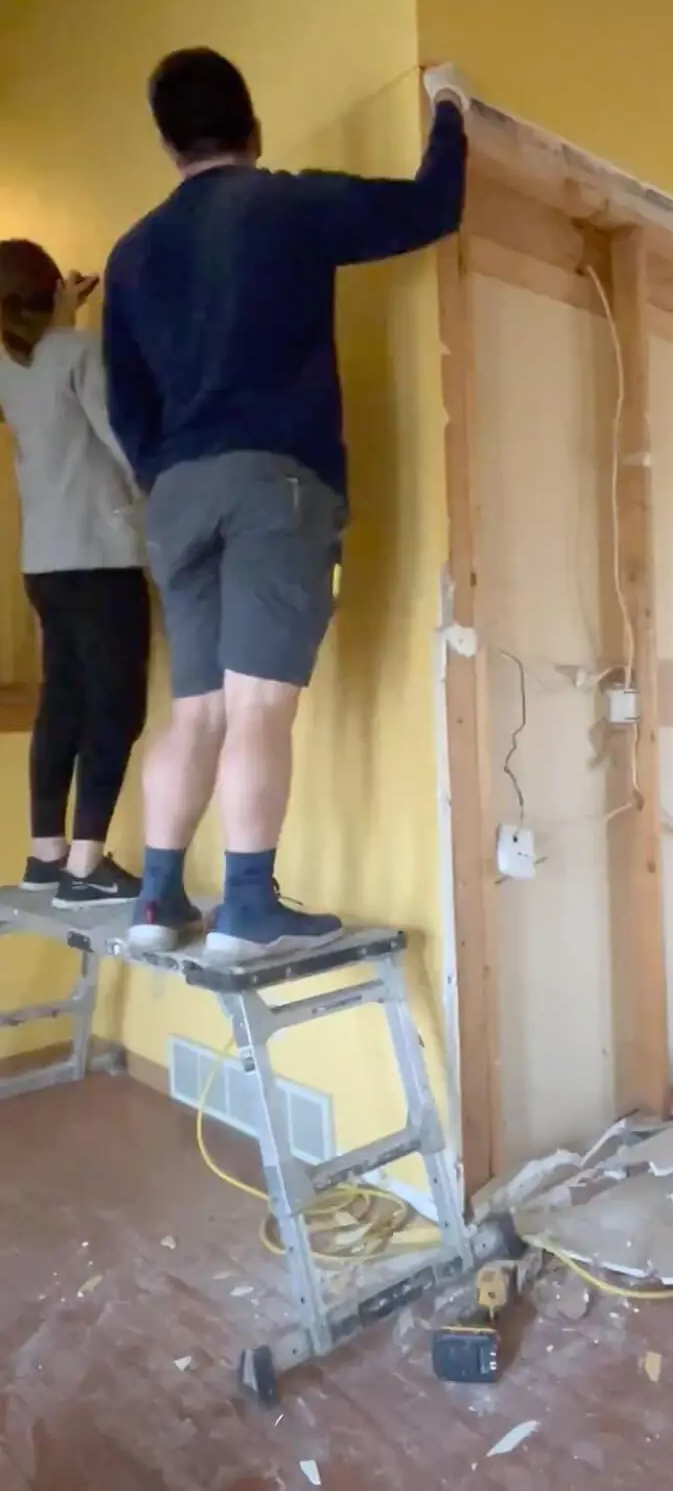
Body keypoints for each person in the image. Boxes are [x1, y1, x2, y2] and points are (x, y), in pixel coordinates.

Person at [103, 48, 469, 961]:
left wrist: (168, 472)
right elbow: (432, 207)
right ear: (252, 127)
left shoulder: (133, 252)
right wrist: (451, 111)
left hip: (176, 494)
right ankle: (247, 907)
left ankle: (155, 902)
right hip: (275, 482)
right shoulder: (284, 203)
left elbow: (124, 401)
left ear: (167, 142)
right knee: (259, 706)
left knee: (195, 710)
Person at [0, 241, 150, 908]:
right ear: (54, 287)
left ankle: (47, 856)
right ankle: (89, 867)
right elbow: (124, 440)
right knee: (116, 706)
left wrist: (58, 313)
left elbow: (35, 354)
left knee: (62, 699)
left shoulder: (7, 368)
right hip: (102, 552)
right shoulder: (81, 354)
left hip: (46, 562)